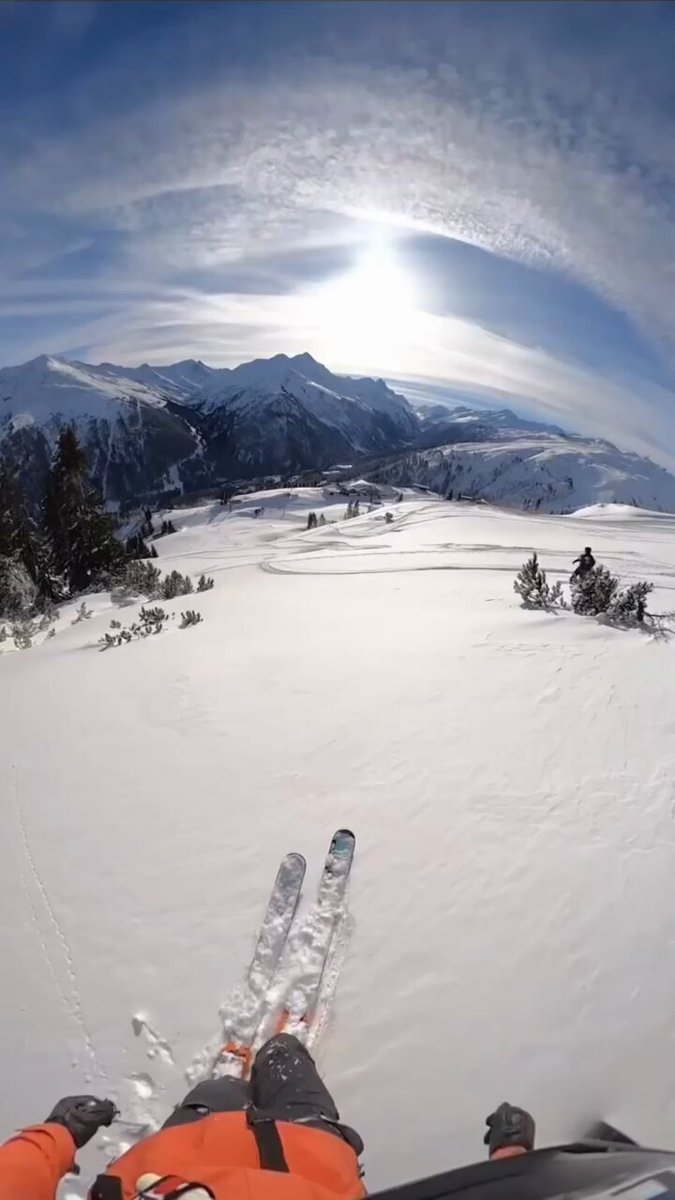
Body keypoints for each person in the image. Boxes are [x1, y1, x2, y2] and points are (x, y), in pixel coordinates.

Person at [0, 1033, 364, 1200]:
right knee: (282, 1052)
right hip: (309, 1151)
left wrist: (57, 1134)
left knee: (216, 1090)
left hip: (186, 1143)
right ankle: (272, 1057)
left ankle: (233, 1082)